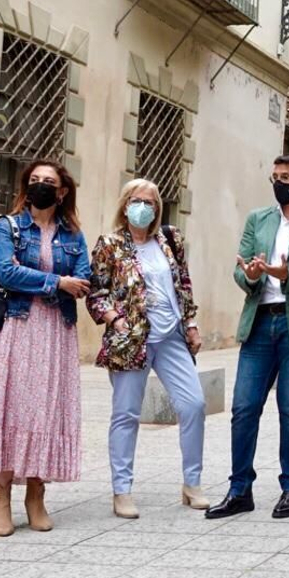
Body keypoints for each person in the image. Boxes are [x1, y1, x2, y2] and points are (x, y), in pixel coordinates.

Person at [0, 160, 90, 537]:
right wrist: (58, 282)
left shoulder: (73, 234)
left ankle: (36, 496)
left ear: (62, 192)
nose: (41, 186)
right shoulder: (6, 226)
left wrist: (66, 283)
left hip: (55, 331)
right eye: (35, 180)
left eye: (50, 182)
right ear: (26, 187)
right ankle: (0, 499)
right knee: (6, 409)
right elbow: (7, 273)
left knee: (43, 411)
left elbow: (85, 276)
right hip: (14, 327)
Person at [206, 153, 289, 521]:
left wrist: (288, 275)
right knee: (244, 407)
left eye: (286, 176)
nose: (280, 183)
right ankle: (239, 489)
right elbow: (242, 272)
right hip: (260, 324)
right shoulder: (258, 220)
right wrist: (251, 274)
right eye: (275, 177)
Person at [87, 179, 206, 519]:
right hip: (131, 340)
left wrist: (192, 324)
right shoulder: (110, 244)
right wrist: (115, 320)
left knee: (194, 404)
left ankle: (192, 483)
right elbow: (97, 292)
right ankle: (121, 491)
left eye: (150, 202)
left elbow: (183, 283)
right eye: (137, 201)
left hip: (171, 337)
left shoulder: (169, 240)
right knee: (126, 414)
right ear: (125, 205)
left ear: (158, 208)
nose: (144, 207)